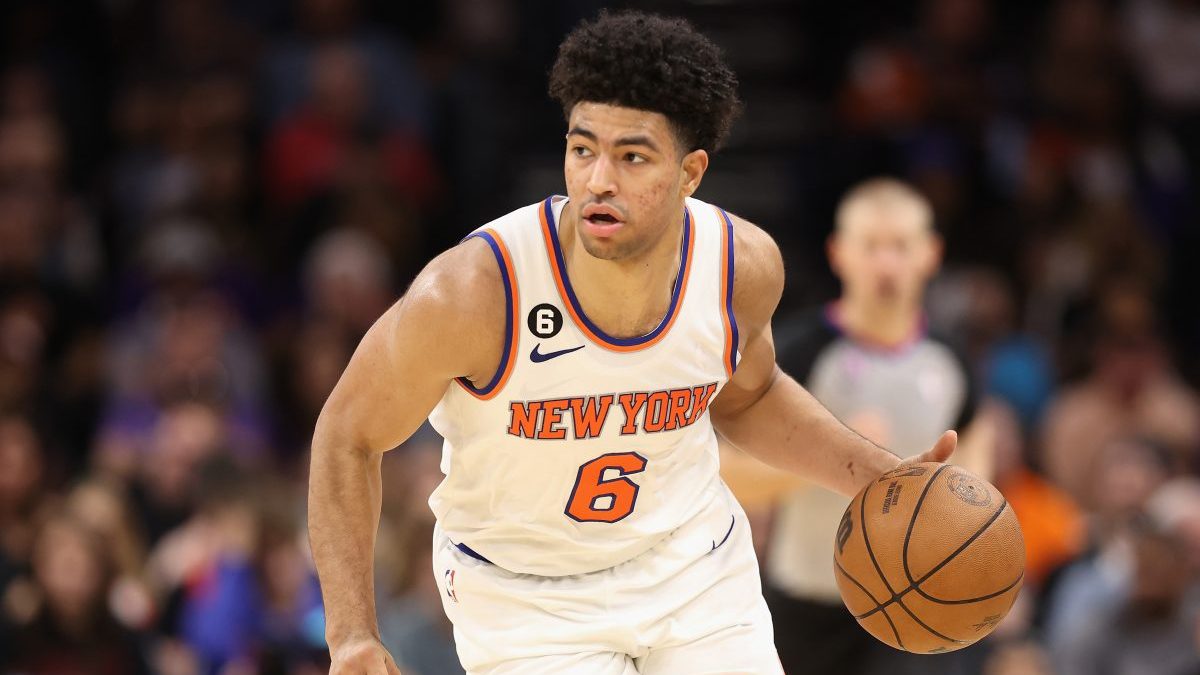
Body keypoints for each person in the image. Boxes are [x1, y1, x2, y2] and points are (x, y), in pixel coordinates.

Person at [308, 12, 957, 675]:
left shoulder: (739, 266)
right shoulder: (473, 294)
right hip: (525, 595)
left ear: (690, 173)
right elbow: (347, 435)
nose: (598, 180)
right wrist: (351, 632)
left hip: (692, 565)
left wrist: (877, 475)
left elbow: (750, 395)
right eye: (582, 149)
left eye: (632, 157)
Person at [765, 178, 992, 675]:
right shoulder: (798, 353)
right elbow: (731, 474)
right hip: (809, 600)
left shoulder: (952, 360)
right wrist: (834, 454)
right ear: (838, 253)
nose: (886, 264)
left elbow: (977, 473)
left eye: (901, 247)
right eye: (870, 246)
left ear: (931, 254)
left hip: (912, 606)